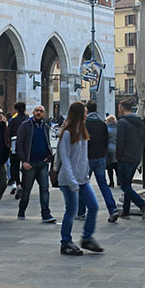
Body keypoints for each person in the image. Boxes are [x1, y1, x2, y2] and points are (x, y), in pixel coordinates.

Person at [56, 102, 103, 255]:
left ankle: (87, 238)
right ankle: (66, 242)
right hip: (69, 179)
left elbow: (83, 158)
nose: (86, 115)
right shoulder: (67, 133)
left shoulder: (82, 131)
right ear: (77, 114)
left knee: (94, 206)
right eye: (83, 113)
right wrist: (72, 181)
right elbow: (65, 159)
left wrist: (85, 173)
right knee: (71, 210)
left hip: (82, 178)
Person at [15, 105, 56, 222]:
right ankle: (21, 210)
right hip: (30, 163)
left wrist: (49, 156)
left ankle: (46, 214)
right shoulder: (26, 125)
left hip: (42, 163)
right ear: (33, 112)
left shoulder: (45, 126)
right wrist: (23, 160)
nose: (39, 113)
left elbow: (47, 142)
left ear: (44, 114)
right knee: (26, 190)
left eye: (41, 111)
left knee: (44, 188)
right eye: (37, 111)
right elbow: (20, 143)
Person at [80, 100, 119, 223]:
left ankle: (81, 211)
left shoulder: (85, 124)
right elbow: (106, 141)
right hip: (101, 158)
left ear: (87, 110)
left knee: (83, 184)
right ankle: (112, 209)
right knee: (103, 184)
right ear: (96, 109)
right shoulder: (103, 124)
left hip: (88, 158)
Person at [115, 100, 145, 219]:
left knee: (124, 186)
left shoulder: (122, 122)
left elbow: (120, 142)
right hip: (136, 156)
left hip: (125, 157)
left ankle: (142, 204)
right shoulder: (140, 122)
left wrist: (118, 156)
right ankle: (126, 211)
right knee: (128, 184)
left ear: (121, 108)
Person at [6, 102, 28, 198]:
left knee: (14, 166)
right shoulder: (28, 120)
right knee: (25, 166)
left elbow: (9, 133)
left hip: (15, 145)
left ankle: (18, 184)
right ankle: (23, 184)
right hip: (26, 147)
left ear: (16, 109)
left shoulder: (13, 120)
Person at [105, 114, 118, 188]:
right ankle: (119, 181)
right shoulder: (118, 128)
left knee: (109, 167)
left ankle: (111, 182)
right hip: (116, 149)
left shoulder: (107, 129)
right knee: (117, 167)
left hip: (108, 149)